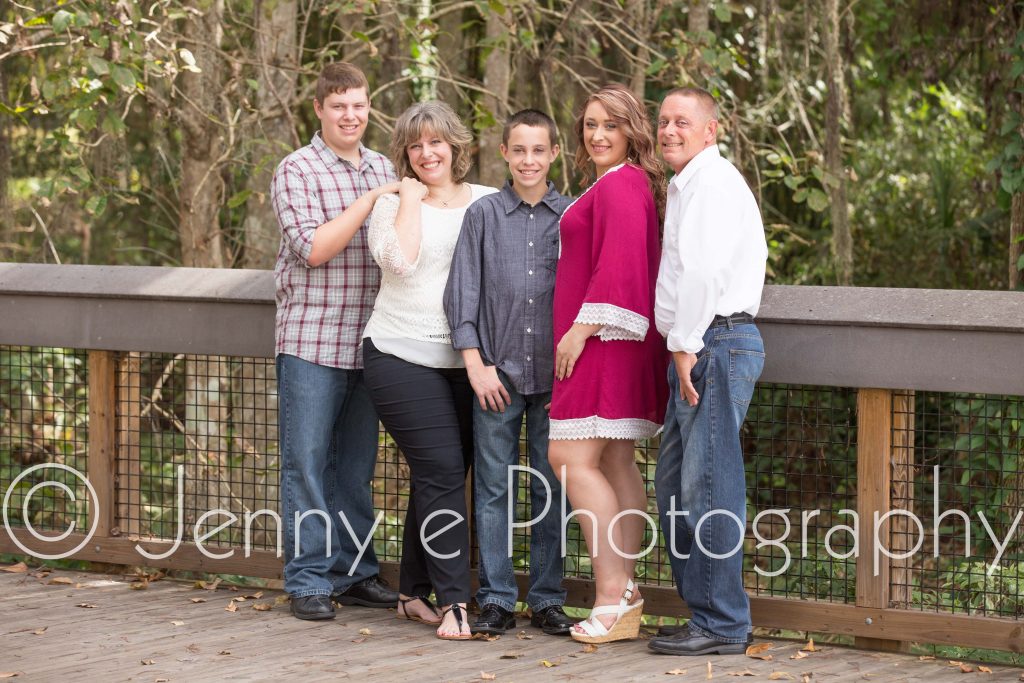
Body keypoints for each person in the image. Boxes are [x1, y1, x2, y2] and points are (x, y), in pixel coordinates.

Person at [362, 101, 499, 640]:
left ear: (455, 145)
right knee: (443, 471)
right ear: (405, 154)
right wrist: (411, 200)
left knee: (439, 475)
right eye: (415, 145)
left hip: (467, 362)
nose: (427, 153)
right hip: (398, 354)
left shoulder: (489, 201)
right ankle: (456, 603)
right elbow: (402, 261)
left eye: (436, 142)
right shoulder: (391, 205)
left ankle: (410, 592)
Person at [271, 62, 400, 621]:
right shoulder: (296, 170)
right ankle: (307, 580)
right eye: (339, 106)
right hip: (311, 341)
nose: (351, 115)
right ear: (319, 110)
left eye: (359, 105)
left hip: (371, 341)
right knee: (305, 463)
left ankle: (355, 571)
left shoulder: (384, 165)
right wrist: (369, 203)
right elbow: (315, 249)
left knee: (354, 468)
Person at [443, 109, 575, 637]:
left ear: (553, 155)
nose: (528, 160)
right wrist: (476, 366)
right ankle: (496, 597)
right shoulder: (483, 215)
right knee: (493, 487)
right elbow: (462, 294)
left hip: (556, 377)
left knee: (553, 488)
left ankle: (547, 598)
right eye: (519, 150)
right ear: (504, 152)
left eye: (538, 150)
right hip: (496, 377)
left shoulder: (571, 215)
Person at [546, 84, 669, 644]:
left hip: (600, 341)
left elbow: (620, 267)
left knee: (569, 457)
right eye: (590, 125)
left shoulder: (622, 185)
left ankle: (611, 594)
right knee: (616, 458)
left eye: (610, 126)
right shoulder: (622, 183)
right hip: (614, 342)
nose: (597, 135)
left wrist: (578, 331)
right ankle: (628, 593)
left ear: (632, 132)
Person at [647, 87, 767, 656]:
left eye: (683, 122)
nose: (670, 130)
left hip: (711, 343)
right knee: (673, 486)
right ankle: (705, 614)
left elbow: (701, 274)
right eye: (664, 121)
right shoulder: (688, 184)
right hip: (697, 343)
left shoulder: (713, 184)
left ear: (711, 130)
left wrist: (684, 344)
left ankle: (723, 623)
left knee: (708, 488)